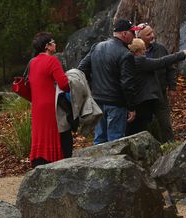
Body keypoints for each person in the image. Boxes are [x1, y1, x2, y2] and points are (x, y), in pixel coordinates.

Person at [78, 19, 137, 144]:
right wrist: (131, 107)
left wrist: (92, 87)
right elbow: (127, 84)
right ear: (125, 34)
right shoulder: (126, 54)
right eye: (133, 32)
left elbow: (81, 69)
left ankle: (96, 164)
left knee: (99, 140)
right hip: (116, 103)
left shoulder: (97, 47)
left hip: (97, 101)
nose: (135, 36)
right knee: (115, 142)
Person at [127, 38, 186, 135]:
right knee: (141, 128)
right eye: (143, 49)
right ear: (137, 52)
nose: (145, 51)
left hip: (135, 99)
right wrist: (183, 53)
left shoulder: (127, 61)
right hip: (143, 101)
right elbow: (162, 61)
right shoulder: (139, 61)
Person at [29, 32, 70, 167]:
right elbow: (64, 84)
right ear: (47, 46)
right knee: (53, 133)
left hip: (37, 105)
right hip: (50, 104)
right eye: (53, 42)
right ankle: (54, 161)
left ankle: (40, 161)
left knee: (40, 134)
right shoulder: (52, 60)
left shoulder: (33, 62)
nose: (55, 44)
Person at [136, 23, 176, 143]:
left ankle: (170, 147)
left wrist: (172, 87)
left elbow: (170, 68)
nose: (152, 36)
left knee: (165, 124)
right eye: (148, 34)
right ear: (140, 37)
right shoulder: (134, 52)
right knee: (143, 125)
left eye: (152, 32)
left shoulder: (161, 49)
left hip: (160, 93)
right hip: (143, 96)